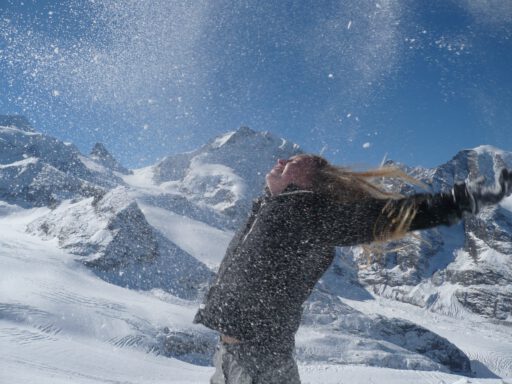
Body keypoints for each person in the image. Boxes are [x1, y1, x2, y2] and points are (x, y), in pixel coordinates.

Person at [194, 154, 512, 384]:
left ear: (310, 178)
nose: (280, 161)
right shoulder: (274, 205)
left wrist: (463, 199)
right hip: (235, 354)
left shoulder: (308, 211)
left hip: (257, 357)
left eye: (291, 161)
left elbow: (396, 214)